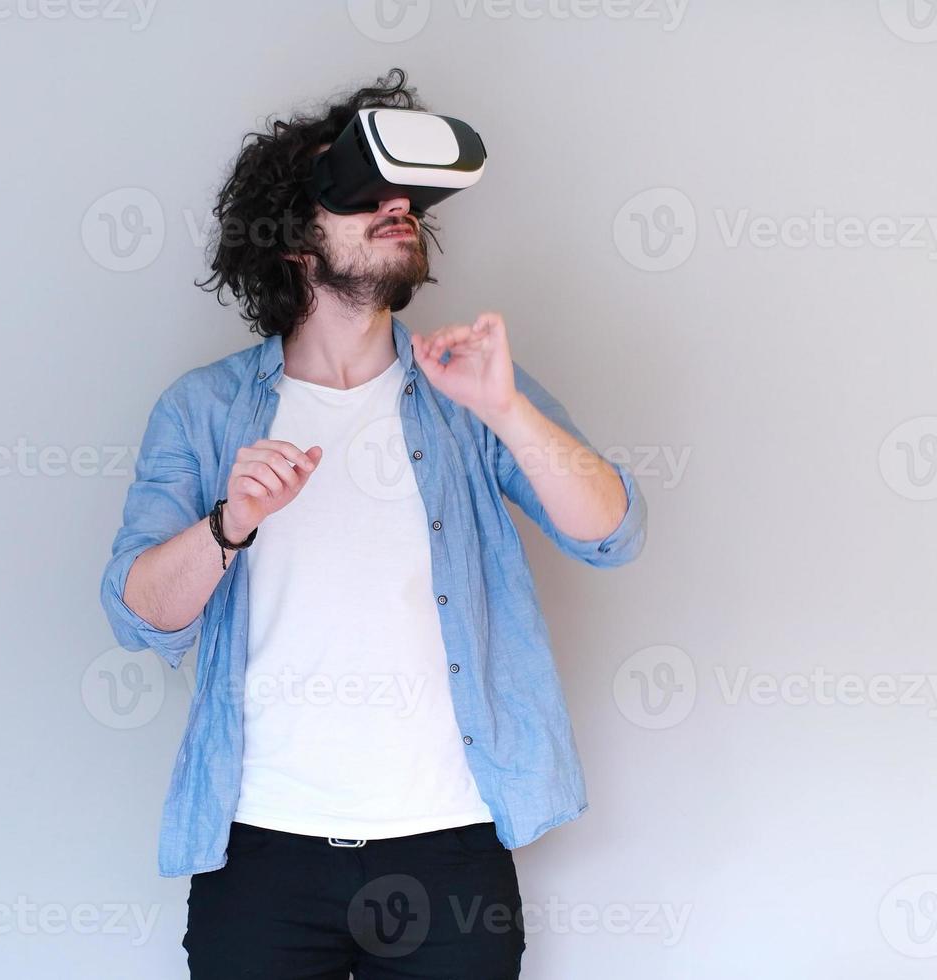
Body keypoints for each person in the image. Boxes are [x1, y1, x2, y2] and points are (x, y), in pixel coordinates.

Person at [99, 68, 648, 979]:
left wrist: (508, 412)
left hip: (448, 848)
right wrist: (226, 525)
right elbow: (136, 612)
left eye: (404, 195)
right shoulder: (203, 412)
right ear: (290, 239)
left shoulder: (469, 394)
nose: (396, 206)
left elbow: (613, 532)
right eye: (358, 188)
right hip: (260, 851)